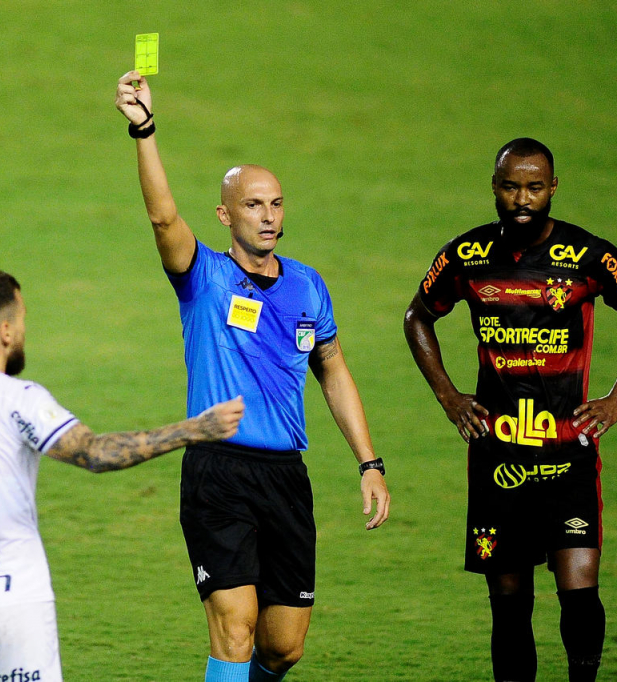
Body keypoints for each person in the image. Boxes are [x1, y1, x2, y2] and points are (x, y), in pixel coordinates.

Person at [114, 70, 390, 682]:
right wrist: (144, 130)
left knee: (282, 647)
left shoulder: (307, 285)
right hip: (219, 471)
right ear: (224, 214)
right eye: (253, 205)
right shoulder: (203, 279)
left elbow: (334, 370)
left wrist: (368, 461)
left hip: (286, 475)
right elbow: (163, 222)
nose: (268, 217)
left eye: (275, 203)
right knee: (234, 627)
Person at [0, 266, 244, 682]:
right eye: (21, 320)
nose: (23, 331)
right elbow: (94, 453)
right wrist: (195, 429)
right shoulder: (18, 399)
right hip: (13, 606)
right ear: (5, 330)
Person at [404, 139, 617, 682]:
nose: (523, 198)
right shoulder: (466, 256)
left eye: (535, 186)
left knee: (580, 595)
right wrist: (449, 396)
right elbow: (418, 316)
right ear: (494, 187)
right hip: (499, 460)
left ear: (553, 188)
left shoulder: (590, 256)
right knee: (509, 604)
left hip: (569, 455)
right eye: (511, 185)